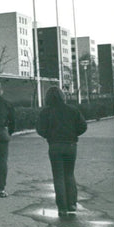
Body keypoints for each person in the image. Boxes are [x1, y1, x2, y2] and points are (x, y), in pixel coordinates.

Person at [36, 86, 87, 218]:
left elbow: (40, 129)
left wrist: (49, 136)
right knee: (69, 174)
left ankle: (62, 207)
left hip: (54, 146)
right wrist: (73, 134)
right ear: (62, 96)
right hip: (70, 145)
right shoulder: (72, 110)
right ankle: (72, 205)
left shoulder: (45, 112)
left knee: (58, 176)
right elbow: (83, 126)